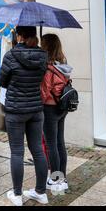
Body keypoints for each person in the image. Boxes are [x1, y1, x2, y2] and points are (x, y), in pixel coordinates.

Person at [0, 26, 48, 206]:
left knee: (17, 152)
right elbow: (41, 77)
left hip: (16, 111)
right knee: (38, 150)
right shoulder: (42, 55)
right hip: (36, 109)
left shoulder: (11, 55)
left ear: (19, 35)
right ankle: (41, 192)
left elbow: (2, 81)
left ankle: (17, 195)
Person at [41, 34, 73, 192]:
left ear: (46, 46)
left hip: (50, 109)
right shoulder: (63, 64)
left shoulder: (48, 67)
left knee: (51, 144)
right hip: (62, 108)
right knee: (60, 142)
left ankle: (55, 179)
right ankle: (63, 179)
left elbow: (44, 92)